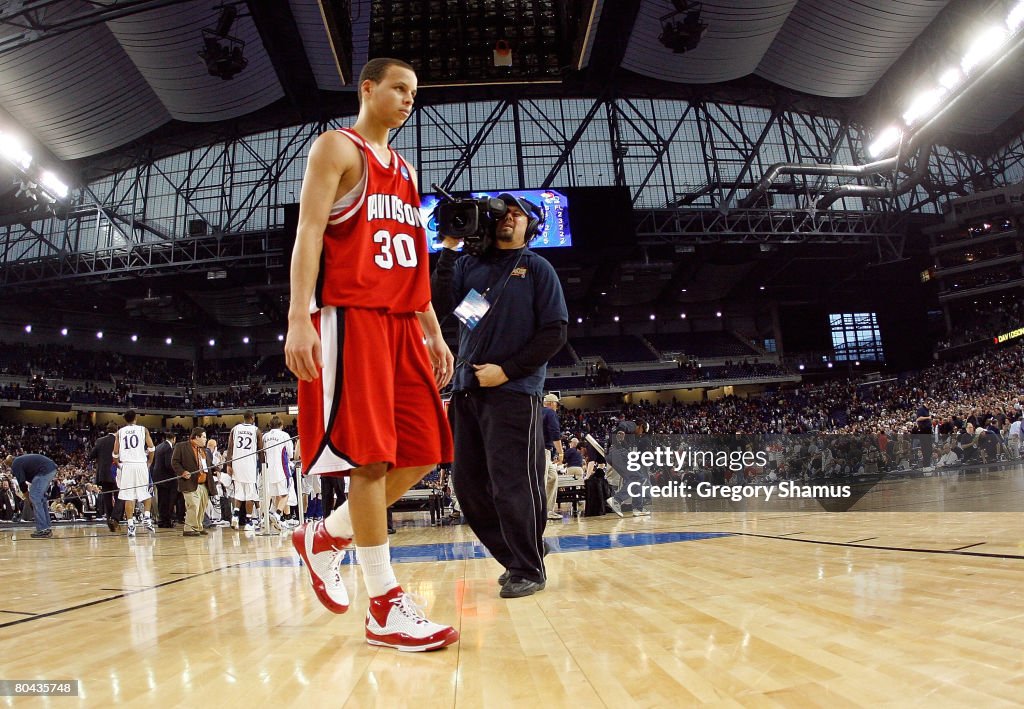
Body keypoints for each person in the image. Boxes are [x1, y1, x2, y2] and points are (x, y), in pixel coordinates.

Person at [284, 57, 458, 652]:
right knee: (371, 459)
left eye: (414, 92)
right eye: (399, 88)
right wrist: (299, 316)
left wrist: (433, 331)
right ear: (368, 88)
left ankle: (325, 537)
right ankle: (383, 604)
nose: (409, 99)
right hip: (351, 316)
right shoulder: (337, 147)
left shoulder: (405, 170)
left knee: (427, 449)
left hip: (403, 321)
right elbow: (309, 233)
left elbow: (412, 259)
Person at [431, 189, 568, 598]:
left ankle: (528, 568)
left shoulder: (537, 268)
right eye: (502, 211)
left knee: (514, 484)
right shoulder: (471, 267)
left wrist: (506, 371)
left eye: (517, 213)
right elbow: (440, 304)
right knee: (468, 487)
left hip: (514, 392)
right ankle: (519, 554)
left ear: (531, 226)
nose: (508, 216)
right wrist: (449, 248)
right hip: (466, 391)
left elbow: (555, 332)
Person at [113, 409, 156, 537]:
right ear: (136, 418)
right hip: (141, 464)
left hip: (127, 465)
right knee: (147, 492)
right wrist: (150, 461)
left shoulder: (120, 432)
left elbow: (115, 452)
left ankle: (131, 525)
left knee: (128, 496)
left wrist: (118, 463)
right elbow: (151, 448)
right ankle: (147, 517)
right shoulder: (143, 429)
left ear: (125, 419)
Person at [171, 428, 216, 537]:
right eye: (204, 437)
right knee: (193, 505)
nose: (205, 439)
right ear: (197, 437)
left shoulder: (203, 450)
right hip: (189, 482)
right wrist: (182, 472)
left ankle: (198, 526)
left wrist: (217, 469)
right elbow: (174, 462)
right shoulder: (181, 446)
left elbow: (208, 465)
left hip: (204, 483)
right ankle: (189, 528)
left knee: (202, 506)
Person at [5, 453, 58, 538]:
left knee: (35, 497)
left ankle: (43, 529)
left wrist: (29, 499)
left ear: (10, 464)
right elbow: (31, 481)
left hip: (44, 470)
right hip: (50, 469)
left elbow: (22, 484)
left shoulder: (15, 463)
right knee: (41, 499)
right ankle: (47, 527)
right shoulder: (21, 461)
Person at [226, 411, 260, 531]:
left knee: (239, 493)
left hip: (237, 465)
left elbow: (230, 448)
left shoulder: (235, 429)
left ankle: (235, 516)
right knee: (249, 494)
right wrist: (263, 465)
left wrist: (228, 464)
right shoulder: (256, 430)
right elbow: (261, 450)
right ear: (252, 418)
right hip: (250, 465)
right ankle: (249, 521)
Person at [262, 416, 293, 532]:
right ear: (281, 425)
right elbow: (290, 454)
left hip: (269, 470)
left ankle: (272, 518)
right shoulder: (284, 435)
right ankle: (277, 514)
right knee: (286, 494)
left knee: (275, 495)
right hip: (282, 469)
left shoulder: (265, 436)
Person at [88, 421, 121, 532]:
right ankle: (115, 519)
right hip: (116, 473)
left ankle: (110, 520)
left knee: (107, 498)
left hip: (103, 474)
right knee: (119, 497)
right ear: (117, 430)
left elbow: (91, 455)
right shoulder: (119, 441)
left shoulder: (100, 441)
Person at [541, 393, 564, 521]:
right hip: (543, 451)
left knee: (552, 477)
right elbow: (555, 433)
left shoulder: (537, 412)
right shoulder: (550, 413)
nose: (557, 407)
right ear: (551, 403)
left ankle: (548, 510)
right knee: (543, 481)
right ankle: (541, 512)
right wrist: (560, 453)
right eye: (556, 404)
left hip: (538, 450)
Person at [151, 432, 178, 528]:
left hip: (158, 477)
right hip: (167, 479)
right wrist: (177, 473)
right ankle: (166, 521)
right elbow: (168, 464)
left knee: (162, 500)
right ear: (174, 439)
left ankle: (161, 520)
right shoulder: (168, 448)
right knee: (168, 500)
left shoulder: (158, 446)